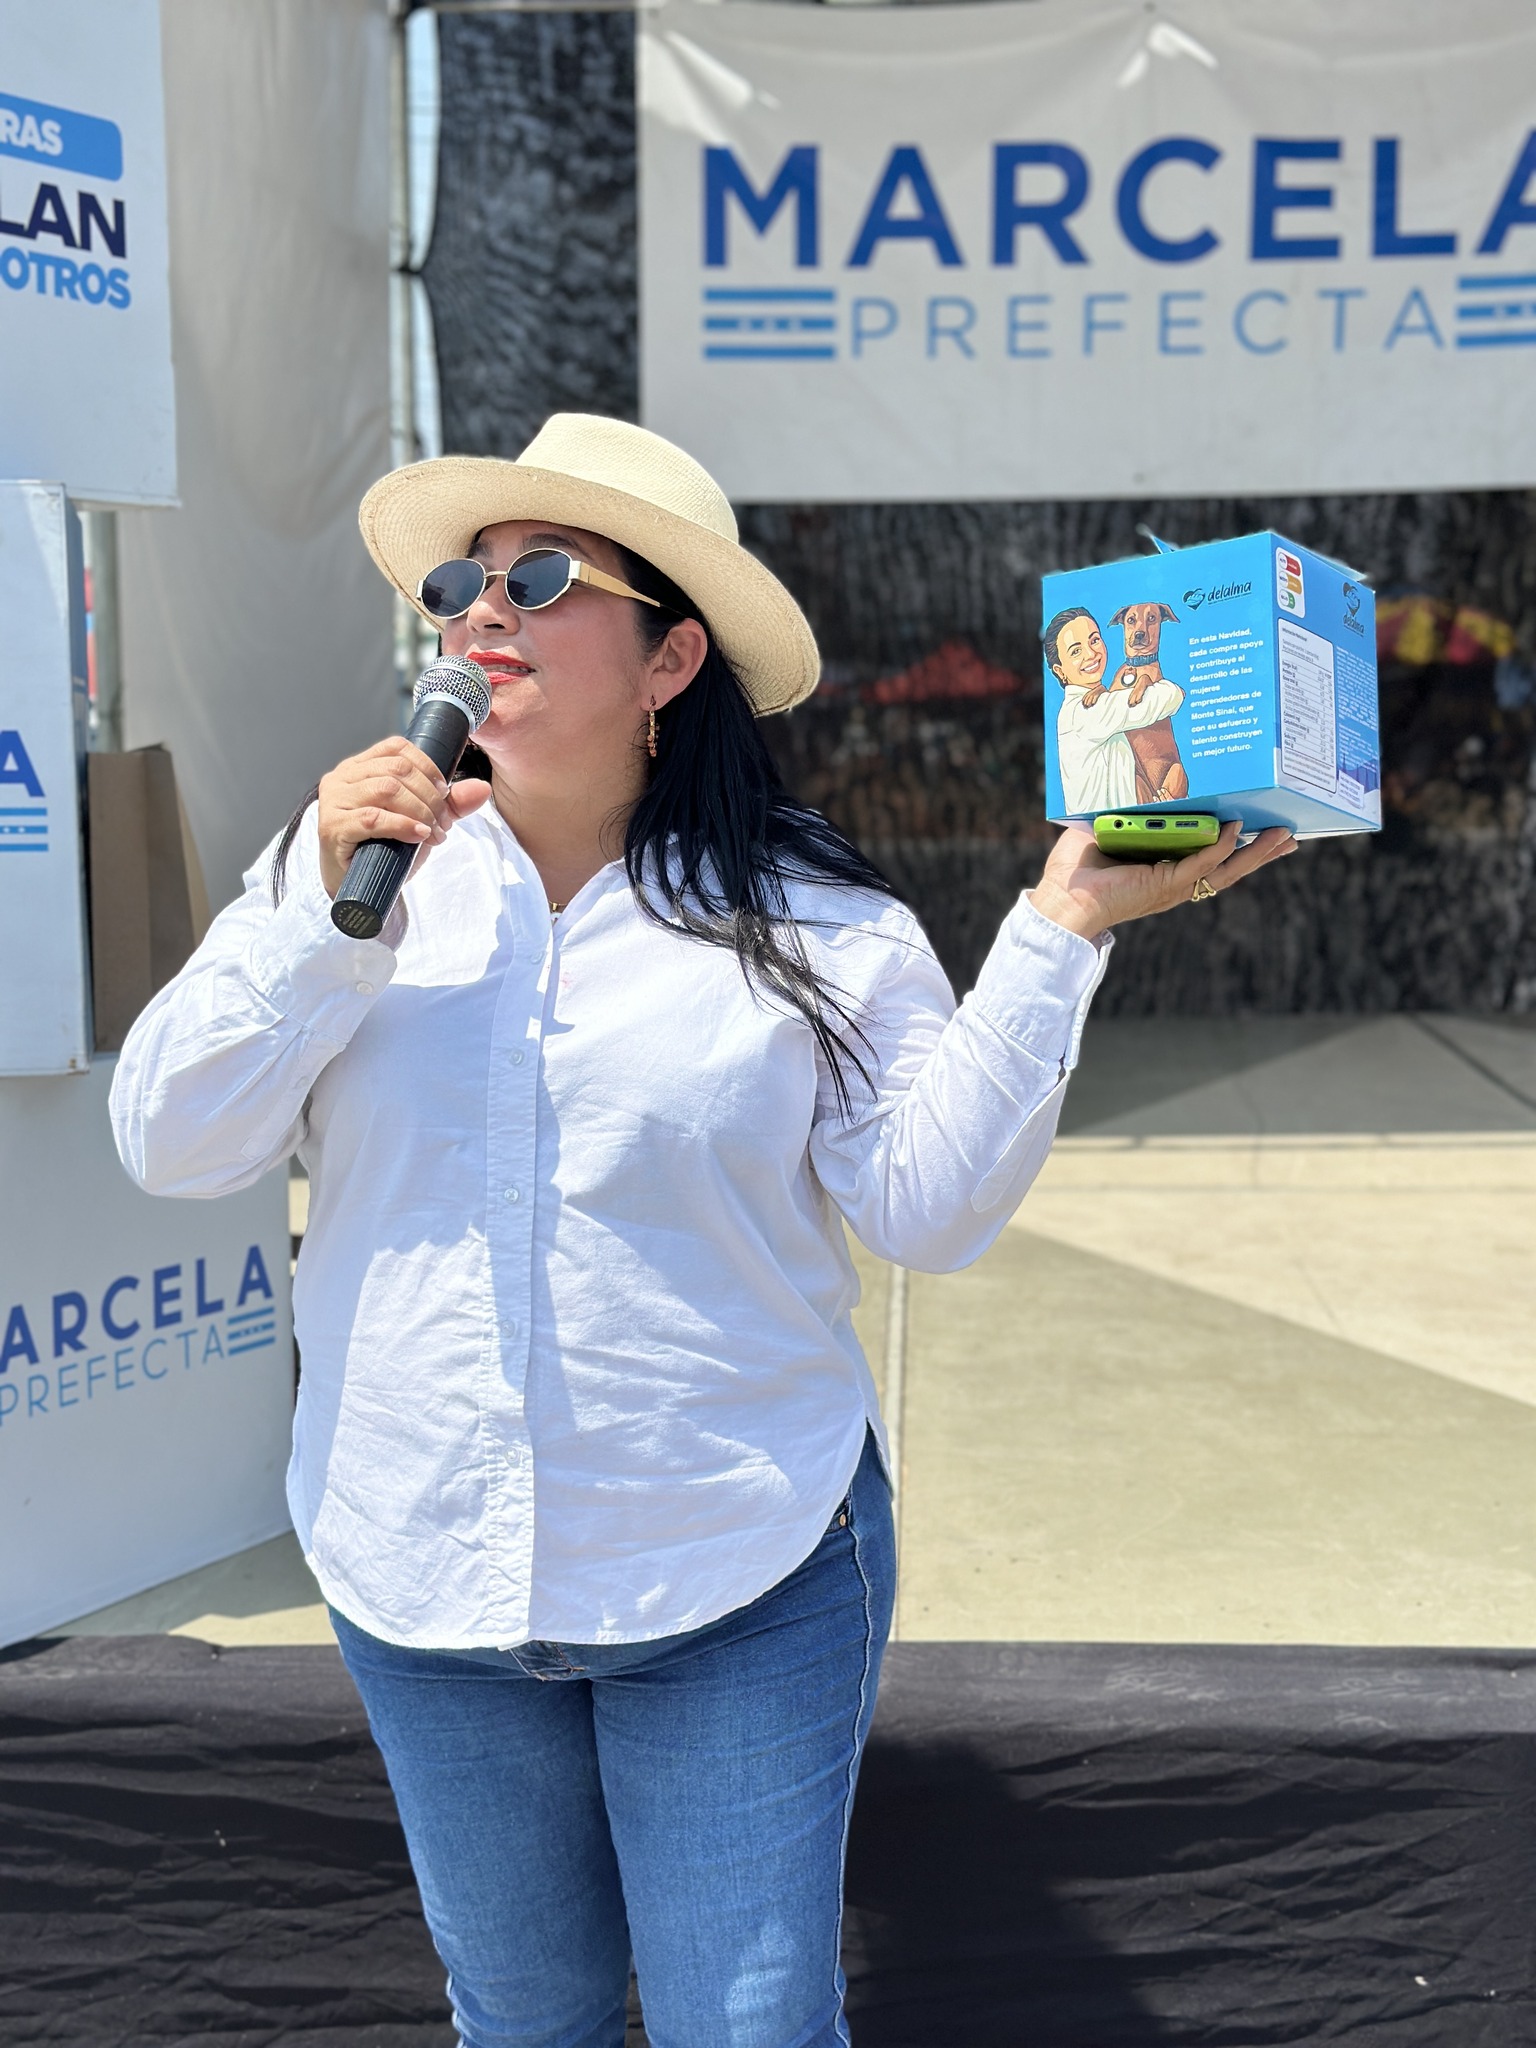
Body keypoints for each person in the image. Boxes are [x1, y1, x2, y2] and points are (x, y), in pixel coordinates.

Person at [110, 415, 1295, 2048]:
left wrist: (1065, 926)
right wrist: (317, 920)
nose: (482, 611)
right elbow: (172, 1142)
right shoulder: (345, 875)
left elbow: (928, 1207)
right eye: (459, 583)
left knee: (751, 2028)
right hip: (424, 1576)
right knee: (523, 2023)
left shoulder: (814, 918)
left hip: (738, 1569)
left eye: (540, 577)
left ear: (672, 658)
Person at [1046, 605, 1186, 813]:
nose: (1090, 653)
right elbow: (1174, 695)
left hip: (1156, 788)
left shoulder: (1102, 700)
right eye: (1076, 651)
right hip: (1113, 824)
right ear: (1060, 671)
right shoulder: (1082, 712)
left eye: (1094, 640)